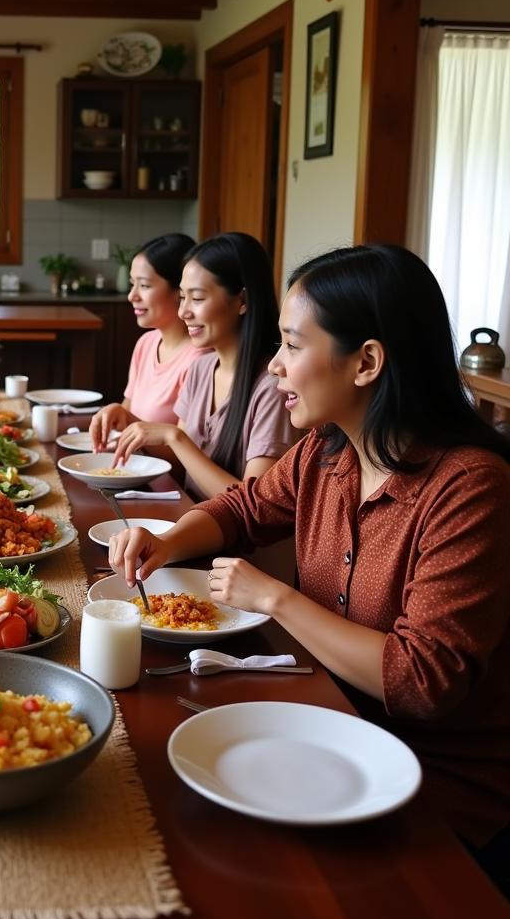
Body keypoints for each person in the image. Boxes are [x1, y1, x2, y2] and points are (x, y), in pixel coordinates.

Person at [108, 245, 510, 876]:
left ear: (366, 362)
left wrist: (274, 597)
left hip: (439, 792)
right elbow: (241, 510)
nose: (273, 366)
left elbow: (422, 680)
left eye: (293, 346)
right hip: (325, 725)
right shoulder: (327, 453)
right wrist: (168, 541)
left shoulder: (470, 488)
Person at [110, 232, 300, 500]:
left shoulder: (271, 386)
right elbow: (181, 466)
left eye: (197, 299)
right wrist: (139, 427)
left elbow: (253, 505)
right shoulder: (202, 369)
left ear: (242, 301)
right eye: (182, 298)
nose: (183, 312)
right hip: (187, 520)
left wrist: (175, 438)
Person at [89, 233, 206, 457]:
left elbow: (185, 459)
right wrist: (114, 416)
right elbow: (126, 412)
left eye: (144, 285)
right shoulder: (146, 343)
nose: (132, 296)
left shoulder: (200, 360)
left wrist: (129, 422)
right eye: (133, 285)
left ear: (180, 290)